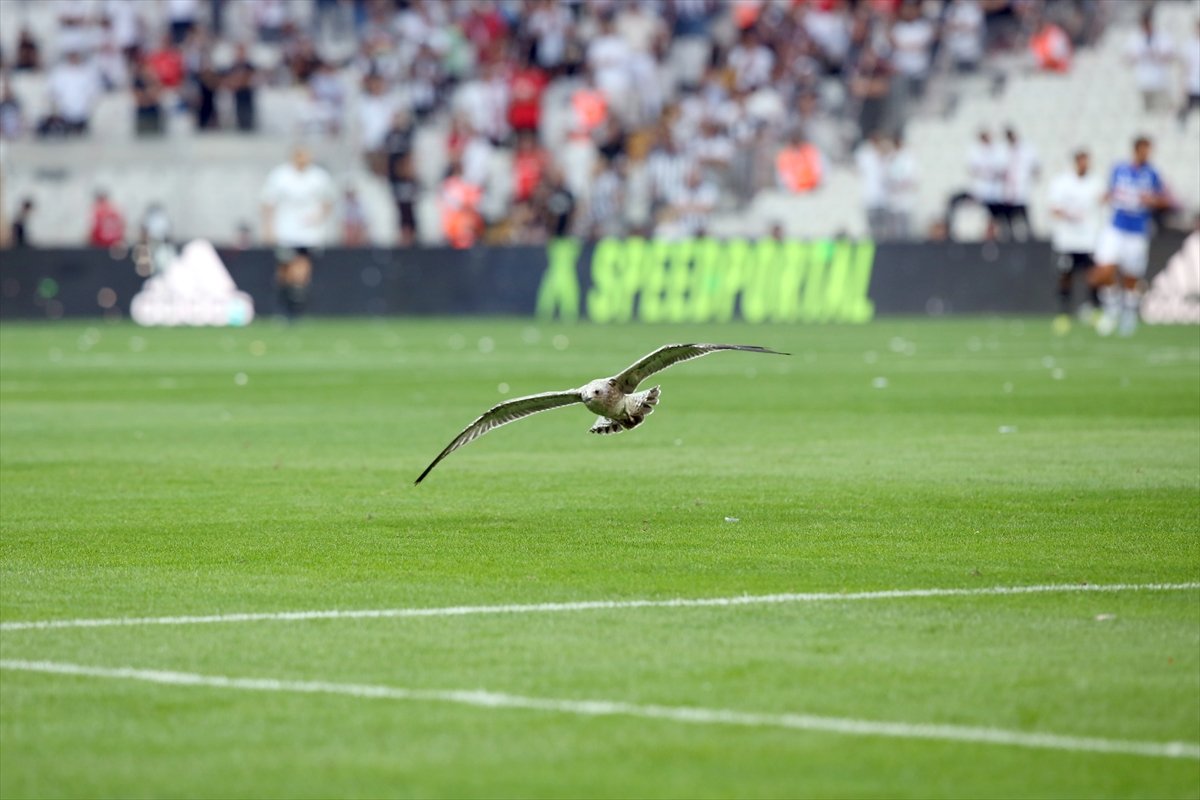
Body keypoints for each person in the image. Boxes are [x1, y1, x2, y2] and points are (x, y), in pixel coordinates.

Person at [1090, 136, 1170, 337]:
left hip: (1137, 231)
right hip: (1116, 228)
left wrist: (1153, 200)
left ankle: (1128, 314)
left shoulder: (1152, 173)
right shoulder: (1119, 168)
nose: (1147, 154)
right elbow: (1111, 192)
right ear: (1136, 150)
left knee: (1130, 277)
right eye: (1144, 150)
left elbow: (1165, 200)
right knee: (1104, 270)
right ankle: (1112, 309)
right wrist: (1106, 197)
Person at [260, 145, 336, 321]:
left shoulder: (319, 177)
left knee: (301, 268)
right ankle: (284, 304)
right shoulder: (280, 176)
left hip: (309, 234)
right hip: (285, 232)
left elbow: (329, 200)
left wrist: (319, 217)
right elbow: (268, 202)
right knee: (284, 271)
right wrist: (268, 228)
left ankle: (296, 309)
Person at [1047, 149, 1104, 327]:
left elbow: (1103, 201)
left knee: (1093, 276)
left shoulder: (1096, 182)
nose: (1084, 164)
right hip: (1067, 240)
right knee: (1065, 276)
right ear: (1075, 162)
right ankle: (1063, 313)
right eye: (1081, 161)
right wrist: (1069, 215)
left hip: (1088, 240)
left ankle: (1095, 311)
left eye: (1087, 161)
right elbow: (1054, 209)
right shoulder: (1062, 182)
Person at [1001, 126, 1039, 241]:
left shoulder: (1026, 149)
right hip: (1008, 191)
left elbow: (1035, 166)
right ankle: (1010, 237)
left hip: (1021, 189)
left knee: (1024, 215)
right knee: (1008, 218)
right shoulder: (1003, 150)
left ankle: (1030, 237)